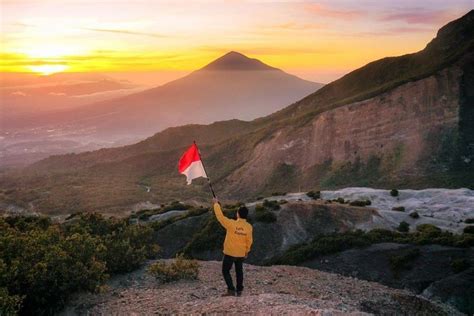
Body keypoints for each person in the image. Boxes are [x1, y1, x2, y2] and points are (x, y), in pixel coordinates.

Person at [212, 197, 253, 297]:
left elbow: (220, 217)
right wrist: (246, 251)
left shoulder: (231, 224)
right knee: (239, 271)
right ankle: (239, 291)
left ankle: (231, 290)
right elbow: (249, 241)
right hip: (241, 253)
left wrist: (216, 204)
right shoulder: (248, 227)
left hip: (230, 253)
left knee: (225, 271)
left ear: (238, 214)